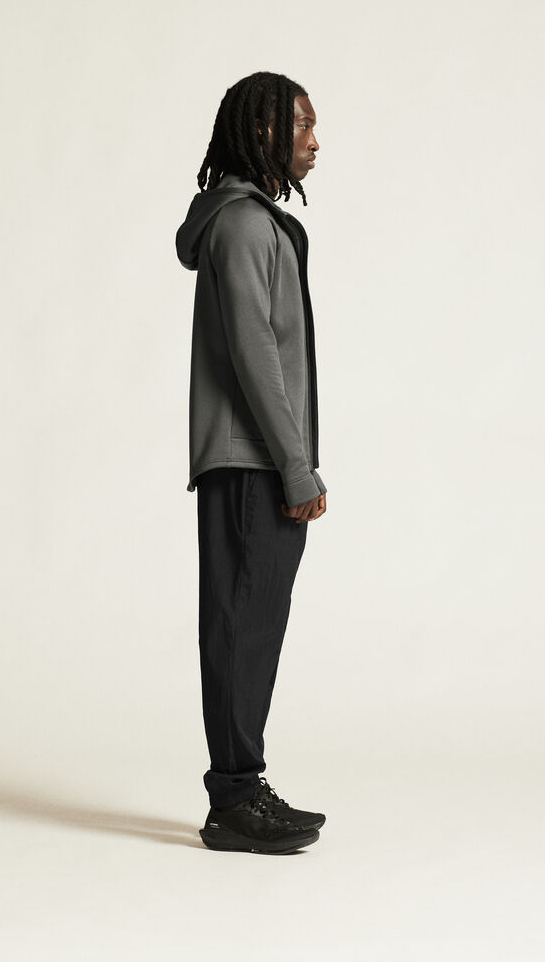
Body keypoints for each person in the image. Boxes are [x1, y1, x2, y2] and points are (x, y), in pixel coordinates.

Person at [175, 71, 328, 854]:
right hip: (251, 461)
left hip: (260, 458)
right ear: (261, 130)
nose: (314, 141)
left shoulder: (255, 222)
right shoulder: (241, 224)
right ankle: (234, 799)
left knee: (254, 625)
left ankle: (242, 787)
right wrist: (295, 467)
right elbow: (253, 352)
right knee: (239, 626)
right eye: (300, 124)